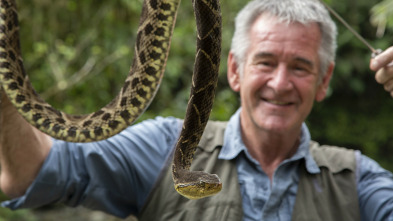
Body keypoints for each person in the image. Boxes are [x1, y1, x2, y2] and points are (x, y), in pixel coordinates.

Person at [1, 0, 393, 220]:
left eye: (301, 67)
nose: (279, 83)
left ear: (325, 80)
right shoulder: (160, 148)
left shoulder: (357, 182)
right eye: (265, 62)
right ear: (234, 71)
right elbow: (30, 175)